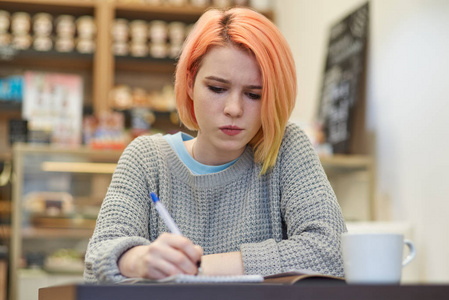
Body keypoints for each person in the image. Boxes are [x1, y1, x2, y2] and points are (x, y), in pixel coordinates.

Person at [84, 7, 346, 283]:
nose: (234, 109)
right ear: (189, 84)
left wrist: (198, 268)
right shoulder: (146, 159)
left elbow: (332, 252)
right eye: (217, 89)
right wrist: (137, 259)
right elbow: (95, 265)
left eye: (254, 95)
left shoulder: (285, 148)